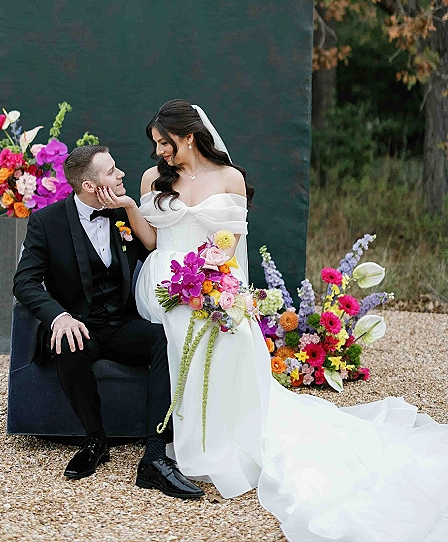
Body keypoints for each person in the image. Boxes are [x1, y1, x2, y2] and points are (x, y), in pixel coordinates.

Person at [96, 100, 448, 542]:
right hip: (164, 281)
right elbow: (151, 240)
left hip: (212, 277)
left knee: (236, 336)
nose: (159, 152)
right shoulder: (153, 178)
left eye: (165, 143)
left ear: (189, 136)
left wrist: (216, 282)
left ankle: (224, 439)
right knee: (183, 329)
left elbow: (231, 246)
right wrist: (130, 205)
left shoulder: (230, 178)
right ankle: (178, 445)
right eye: (155, 145)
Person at [12, 143, 204, 499]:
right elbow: (24, 282)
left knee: (164, 339)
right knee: (66, 343)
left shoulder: (122, 214)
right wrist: (59, 317)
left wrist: (130, 207)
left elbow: (155, 250)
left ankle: (155, 456)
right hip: (78, 325)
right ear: (90, 186)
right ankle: (95, 440)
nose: (121, 174)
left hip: (121, 324)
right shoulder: (47, 223)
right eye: (112, 171)